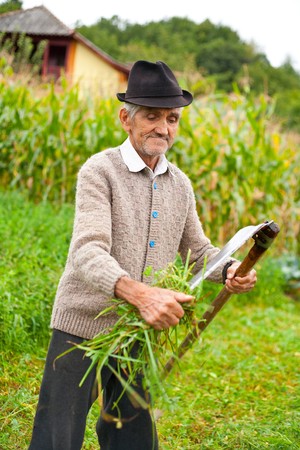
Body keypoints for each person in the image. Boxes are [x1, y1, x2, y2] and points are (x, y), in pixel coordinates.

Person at [28, 60, 257, 450]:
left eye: (172, 118)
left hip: (136, 334)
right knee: (56, 438)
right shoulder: (100, 171)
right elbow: (88, 250)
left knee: (132, 439)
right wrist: (141, 294)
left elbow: (198, 251)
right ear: (125, 118)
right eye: (152, 116)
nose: (163, 128)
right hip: (82, 327)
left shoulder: (179, 184)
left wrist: (231, 268)